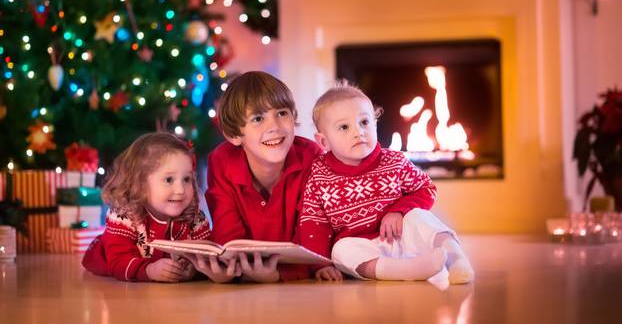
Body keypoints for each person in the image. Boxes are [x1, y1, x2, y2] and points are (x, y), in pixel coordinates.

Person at [298, 81, 475, 284]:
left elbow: (426, 188)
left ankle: (456, 260)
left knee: (420, 217)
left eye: (364, 122)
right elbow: (313, 223)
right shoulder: (320, 175)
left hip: (402, 237)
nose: (358, 132)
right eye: (344, 127)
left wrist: (399, 211)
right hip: (365, 248)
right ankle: (405, 270)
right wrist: (322, 264)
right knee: (341, 250)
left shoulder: (393, 161)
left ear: (375, 123)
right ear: (323, 141)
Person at [203, 71, 322, 282]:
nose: (274, 126)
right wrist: (230, 270)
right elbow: (227, 235)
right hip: (244, 280)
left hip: (299, 282)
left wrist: (279, 275)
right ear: (234, 135)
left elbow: (314, 234)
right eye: (258, 118)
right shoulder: (221, 161)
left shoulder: (311, 157)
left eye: (282, 113)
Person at [81, 132, 234, 283]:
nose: (180, 189)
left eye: (186, 179)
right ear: (139, 184)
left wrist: (194, 270)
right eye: (169, 179)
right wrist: (149, 270)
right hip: (112, 267)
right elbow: (118, 261)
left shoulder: (194, 216)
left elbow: (207, 254)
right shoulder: (125, 214)